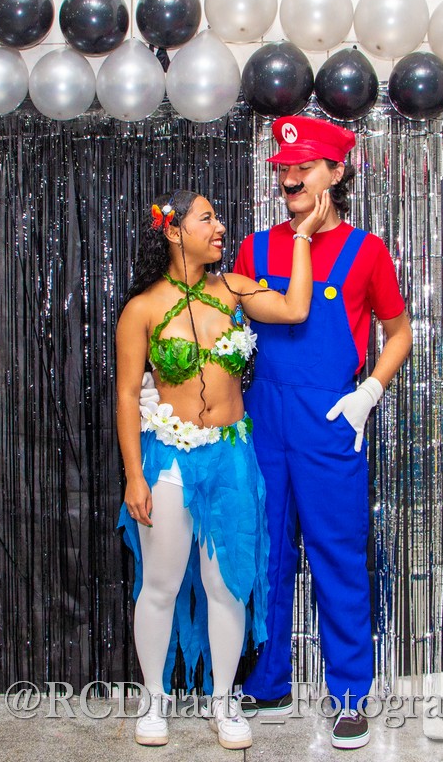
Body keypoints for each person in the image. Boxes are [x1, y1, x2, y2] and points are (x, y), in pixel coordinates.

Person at [115, 188, 330, 749]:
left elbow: (296, 309)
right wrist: (134, 475)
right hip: (167, 458)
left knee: (228, 585)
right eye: (206, 218)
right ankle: (154, 700)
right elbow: (125, 395)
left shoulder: (234, 289)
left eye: (217, 218)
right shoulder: (143, 309)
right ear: (173, 231)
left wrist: (302, 238)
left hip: (231, 456)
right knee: (159, 584)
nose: (219, 228)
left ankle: (223, 700)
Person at [232, 116, 412, 750]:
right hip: (263, 417)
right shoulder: (254, 248)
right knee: (266, 555)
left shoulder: (368, 251)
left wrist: (368, 394)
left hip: (330, 421)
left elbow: (399, 333)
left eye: (304, 167)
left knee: (337, 555)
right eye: (284, 168)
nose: (291, 177)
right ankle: (269, 680)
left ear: (336, 173)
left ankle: (351, 696)